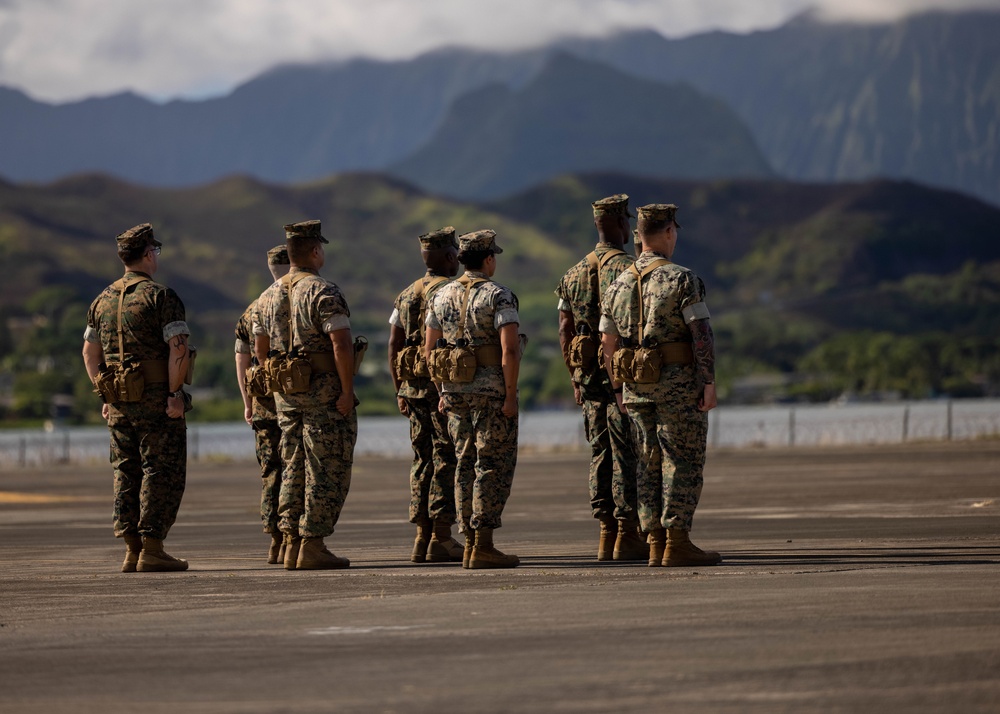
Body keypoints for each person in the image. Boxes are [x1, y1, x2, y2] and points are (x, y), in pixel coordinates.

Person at [599, 204, 721, 567]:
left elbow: (608, 343)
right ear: (669, 232)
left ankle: (654, 541)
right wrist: (708, 381)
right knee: (681, 461)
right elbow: (701, 335)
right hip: (678, 385)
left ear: (638, 235)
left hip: (636, 387)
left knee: (646, 463)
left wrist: (618, 387)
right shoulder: (683, 279)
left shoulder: (616, 284)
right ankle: (677, 540)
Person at [81, 223, 191, 573]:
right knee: (162, 470)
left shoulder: (101, 300)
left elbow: (89, 353)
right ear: (147, 254)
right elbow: (179, 350)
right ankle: (153, 547)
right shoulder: (161, 296)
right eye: (154, 251)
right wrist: (175, 394)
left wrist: (105, 391)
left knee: (125, 471)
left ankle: (132, 549)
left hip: (119, 402)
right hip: (156, 399)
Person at [253, 220, 357, 570]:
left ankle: (290, 542)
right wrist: (346, 390)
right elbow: (341, 345)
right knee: (325, 466)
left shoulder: (267, 297)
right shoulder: (323, 291)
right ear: (315, 251)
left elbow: (260, 350)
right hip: (322, 392)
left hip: (286, 395)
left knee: (292, 466)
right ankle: (312, 542)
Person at [424, 230, 522, 569]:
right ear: (489, 259)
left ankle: (468, 542)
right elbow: (509, 348)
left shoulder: (439, 295)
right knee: (491, 464)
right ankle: (483, 543)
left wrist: (441, 392)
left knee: (464, 464)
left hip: (454, 391)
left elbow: (429, 349)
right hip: (491, 391)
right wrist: (510, 395)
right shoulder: (499, 296)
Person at [555, 194, 645, 561]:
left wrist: (575, 377)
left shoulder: (572, 275)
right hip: (624, 377)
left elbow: (564, 329)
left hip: (589, 379)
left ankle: (606, 533)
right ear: (622, 224)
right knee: (628, 454)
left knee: (599, 452)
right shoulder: (632, 270)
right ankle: (627, 532)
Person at [388, 227, 462, 563]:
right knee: (445, 459)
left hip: (412, 389)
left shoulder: (406, 294)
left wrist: (398, 389)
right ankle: (442, 537)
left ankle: (421, 537)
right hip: (440, 389)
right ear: (449, 256)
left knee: (422, 461)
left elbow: (394, 344)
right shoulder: (451, 291)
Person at [235, 245, 290, 564]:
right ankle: (294, 536)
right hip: (296, 402)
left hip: (263, 406)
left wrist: (248, 403)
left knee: (271, 472)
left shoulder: (254, 308)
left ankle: (275, 540)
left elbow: (241, 359)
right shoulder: (299, 299)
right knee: (298, 469)